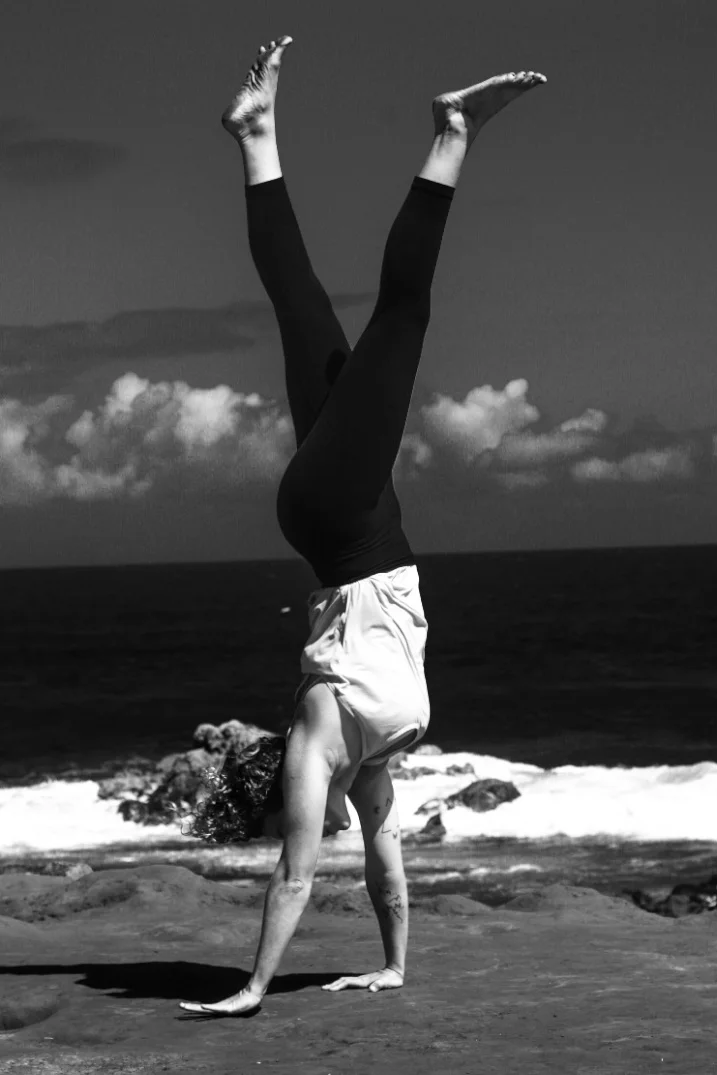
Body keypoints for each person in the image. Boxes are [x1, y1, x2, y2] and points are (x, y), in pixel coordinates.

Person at [179, 35, 546, 1016]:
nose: (347, 806)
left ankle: (452, 133)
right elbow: (384, 863)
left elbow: (298, 873)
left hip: (343, 520)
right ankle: (255, 136)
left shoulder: (322, 734)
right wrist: (393, 964)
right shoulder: (374, 768)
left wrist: (254, 987)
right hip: (357, 512)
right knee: (305, 313)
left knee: (402, 318)